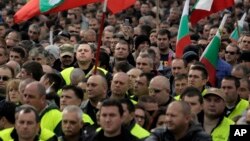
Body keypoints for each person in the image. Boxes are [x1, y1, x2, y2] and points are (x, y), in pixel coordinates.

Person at [145, 101, 211, 141]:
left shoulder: (202, 138)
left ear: (187, 119)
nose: (168, 119)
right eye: (167, 115)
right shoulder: (159, 133)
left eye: (173, 116)